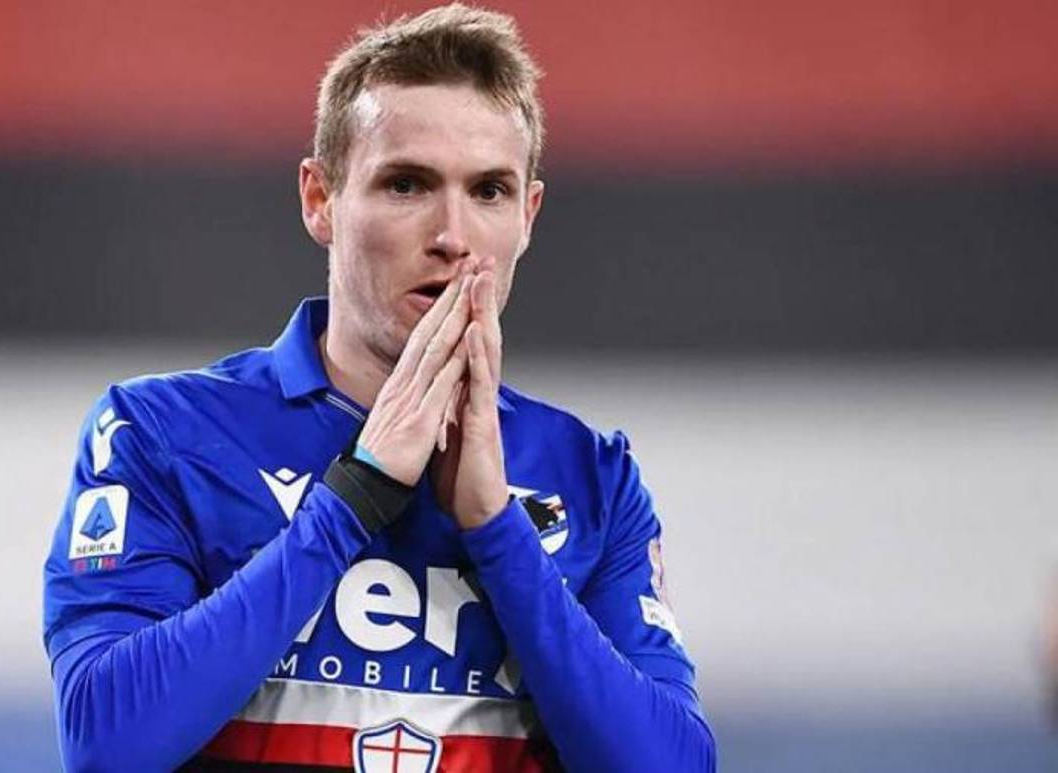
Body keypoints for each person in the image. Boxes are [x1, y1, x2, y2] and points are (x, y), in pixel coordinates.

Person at [42, 4, 716, 771]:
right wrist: (354, 497)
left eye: (489, 191)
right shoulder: (162, 433)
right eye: (406, 184)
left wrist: (498, 530)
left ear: (528, 215)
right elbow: (107, 742)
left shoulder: (592, 475)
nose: (452, 236)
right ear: (320, 199)